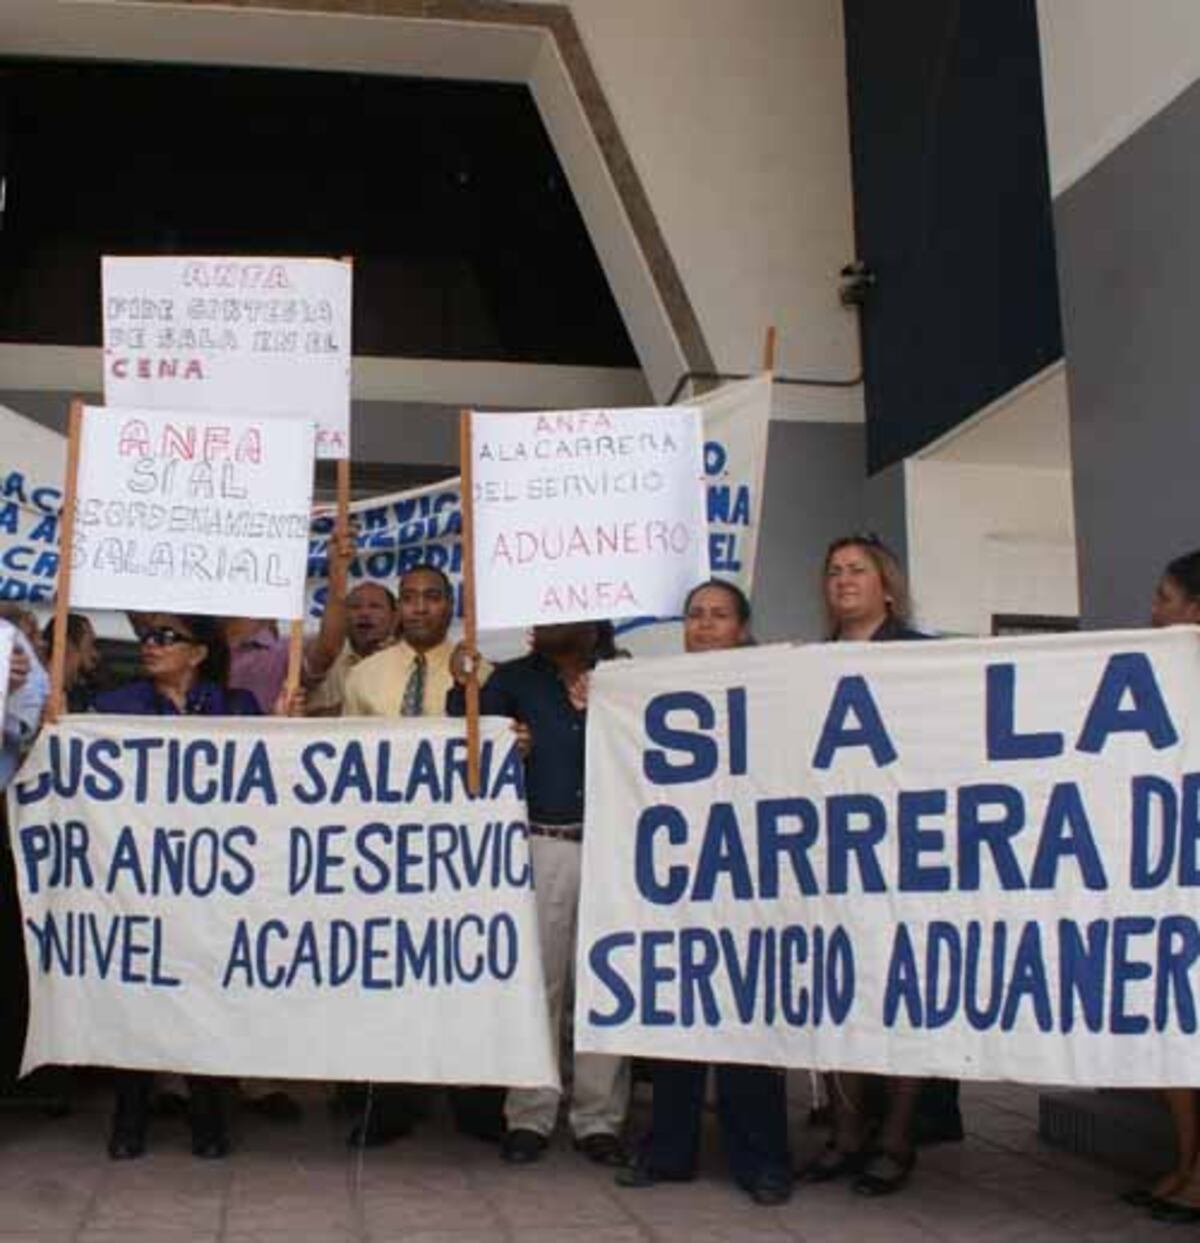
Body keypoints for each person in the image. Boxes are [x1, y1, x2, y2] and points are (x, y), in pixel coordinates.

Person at [617, 580, 792, 1205]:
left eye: (719, 615)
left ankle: (762, 1161)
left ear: (742, 627)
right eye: (695, 615)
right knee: (677, 1019)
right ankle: (669, 1151)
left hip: (750, 877)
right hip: (676, 877)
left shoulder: (775, 686)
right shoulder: (654, 690)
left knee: (746, 1024)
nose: (705, 625)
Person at [449, 620, 630, 1167]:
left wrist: (610, 708)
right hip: (542, 841)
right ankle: (530, 1113)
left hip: (613, 847)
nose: (544, 621)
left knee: (606, 988)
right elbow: (466, 733)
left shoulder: (628, 677)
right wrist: (468, 689)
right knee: (540, 985)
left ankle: (599, 1119)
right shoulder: (510, 680)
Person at [95, 613, 271, 1160]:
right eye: (147, 637)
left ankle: (209, 1115)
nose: (150, 645)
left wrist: (284, 729)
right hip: (140, 877)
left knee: (207, 993)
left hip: (213, 879)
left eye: (165, 638)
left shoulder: (236, 707)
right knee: (136, 992)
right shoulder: (114, 707)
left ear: (198, 653)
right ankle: (130, 1117)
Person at [340, 563, 504, 1147]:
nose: (418, 608)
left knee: (463, 975)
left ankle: (474, 1103)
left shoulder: (480, 669)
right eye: (408, 598)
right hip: (385, 849)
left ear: (450, 605)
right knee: (388, 976)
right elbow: (343, 761)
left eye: (431, 597)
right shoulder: (366, 677)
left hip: (459, 853)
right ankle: (388, 1103)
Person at [800, 533, 937, 1196]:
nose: (843, 579)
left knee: (899, 995)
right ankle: (847, 1133)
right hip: (828, 855)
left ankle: (897, 1135)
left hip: (902, 855)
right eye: (833, 571)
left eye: (857, 569)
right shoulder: (806, 664)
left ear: (887, 586)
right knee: (838, 990)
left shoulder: (922, 659)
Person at [1125, 549, 1200, 1223]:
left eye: (1165, 597)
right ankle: (1186, 1161)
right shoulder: (1154, 679)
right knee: (1173, 1031)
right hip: (1168, 883)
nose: (1154, 610)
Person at [306, 581, 398, 716]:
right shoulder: (325, 655)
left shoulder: (406, 658)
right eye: (355, 607)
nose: (364, 613)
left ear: (394, 617)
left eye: (375, 606)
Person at [42, 613, 102, 712]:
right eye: (90, 645)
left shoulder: (76, 698)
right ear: (67, 646)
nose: (95, 655)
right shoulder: (38, 696)